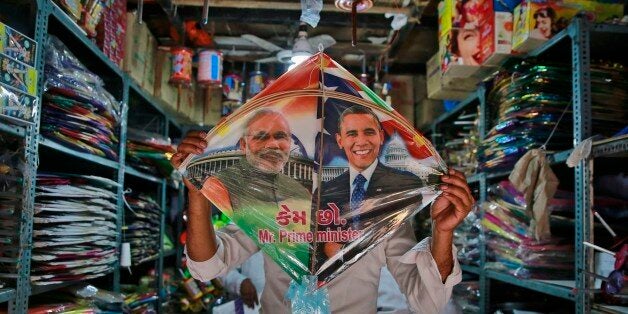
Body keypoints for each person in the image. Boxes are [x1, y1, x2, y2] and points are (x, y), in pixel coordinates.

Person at [172, 108, 475, 313]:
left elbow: (427, 301)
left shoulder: (379, 211)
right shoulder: (271, 209)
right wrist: (198, 192)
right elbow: (207, 267)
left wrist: (443, 233)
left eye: (327, 153)